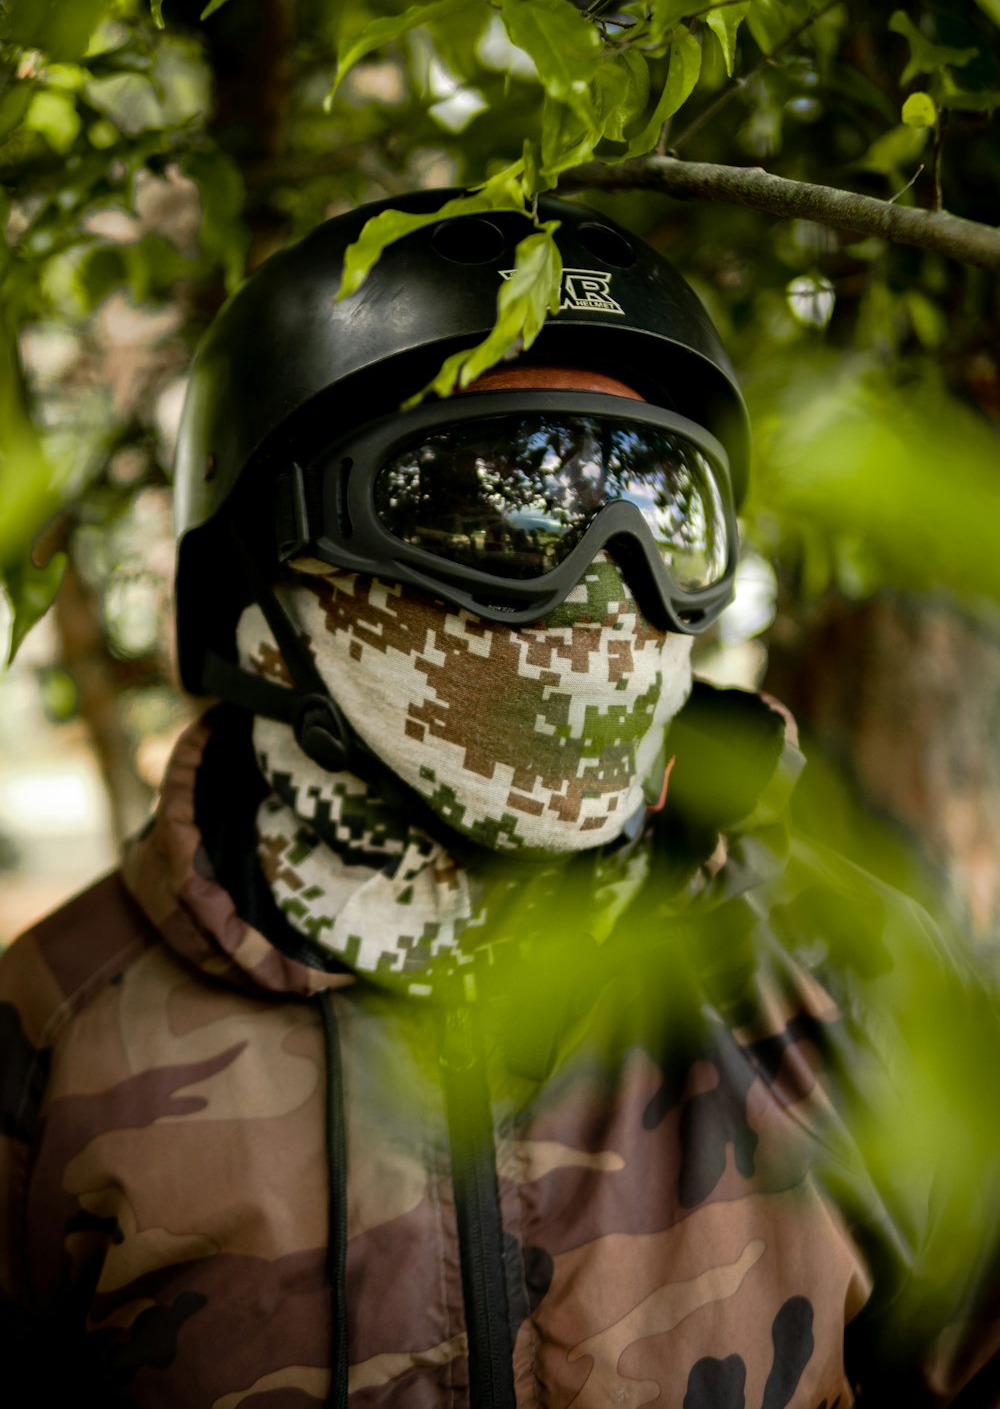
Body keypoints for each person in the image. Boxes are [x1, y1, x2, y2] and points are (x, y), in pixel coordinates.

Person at [1, 192, 998, 1407]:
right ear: (268, 582)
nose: (600, 591)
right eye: (493, 509)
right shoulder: (49, 1043)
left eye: (656, 509)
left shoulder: (851, 980)